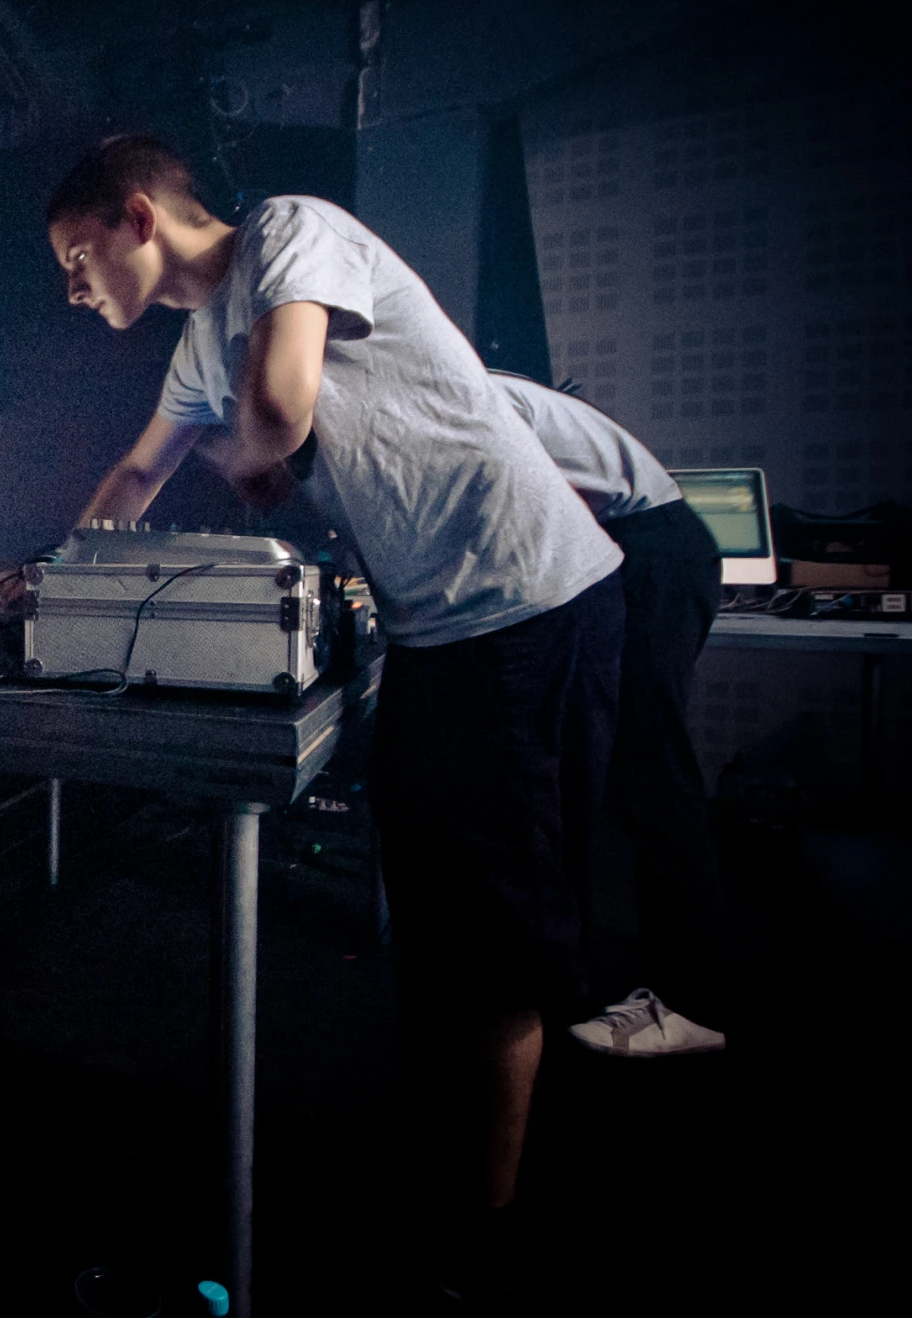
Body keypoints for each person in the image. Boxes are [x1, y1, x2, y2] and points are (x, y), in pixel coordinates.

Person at [44, 134, 623, 1297]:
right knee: (428, 905)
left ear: (139, 216)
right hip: (436, 625)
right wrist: (55, 573)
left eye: (75, 252)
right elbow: (135, 477)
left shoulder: (287, 231)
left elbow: (277, 405)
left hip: (524, 592)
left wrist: (245, 456)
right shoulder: (198, 344)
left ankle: (491, 1234)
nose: (70, 282)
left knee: (493, 931)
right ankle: (438, 1169)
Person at [495, 372, 728, 1056]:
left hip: (648, 549)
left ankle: (695, 1004)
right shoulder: (464, 388)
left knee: (654, 771)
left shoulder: (466, 400)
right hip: (629, 546)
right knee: (595, 772)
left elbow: (548, 508)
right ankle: (595, 978)